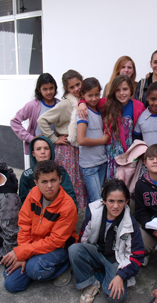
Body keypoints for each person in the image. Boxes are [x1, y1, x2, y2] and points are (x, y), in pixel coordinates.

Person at [2, 160, 79, 293]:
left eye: (53, 180)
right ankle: (35, 264)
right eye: (44, 182)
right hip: (36, 244)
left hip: (60, 247)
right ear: (36, 183)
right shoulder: (33, 194)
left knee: (34, 269)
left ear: (60, 179)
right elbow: (24, 224)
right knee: (11, 283)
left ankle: (64, 265)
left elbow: (55, 241)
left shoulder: (68, 206)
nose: (49, 186)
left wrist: (24, 253)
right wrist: (23, 254)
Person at [68, 179, 144, 303]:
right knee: (74, 249)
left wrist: (121, 275)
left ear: (126, 202)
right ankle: (90, 283)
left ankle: (100, 276)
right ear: (104, 201)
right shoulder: (95, 214)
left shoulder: (129, 222)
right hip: (97, 252)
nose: (115, 206)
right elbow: (83, 238)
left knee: (117, 297)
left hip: (117, 261)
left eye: (120, 201)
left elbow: (137, 254)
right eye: (111, 201)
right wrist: (82, 260)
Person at [38, 70, 87, 209]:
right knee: (69, 183)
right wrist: (54, 138)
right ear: (67, 89)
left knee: (79, 183)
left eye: (78, 84)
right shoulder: (65, 104)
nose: (76, 89)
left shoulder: (82, 101)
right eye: (72, 87)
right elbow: (42, 120)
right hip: (67, 150)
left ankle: (76, 213)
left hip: (79, 148)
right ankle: (66, 212)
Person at [10, 73, 60, 166]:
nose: (49, 92)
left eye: (51, 88)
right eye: (45, 89)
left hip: (57, 151)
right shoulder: (33, 105)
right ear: (39, 90)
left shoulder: (60, 104)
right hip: (39, 153)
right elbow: (14, 122)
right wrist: (30, 138)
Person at [18, 136, 77, 210]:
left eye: (46, 148)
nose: (43, 152)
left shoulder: (61, 171)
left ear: (51, 151)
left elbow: (70, 196)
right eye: (38, 149)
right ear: (33, 153)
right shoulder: (26, 176)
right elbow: (23, 203)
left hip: (60, 213)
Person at [77, 77, 109, 207]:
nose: (94, 98)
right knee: (97, 201)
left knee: (94, 200)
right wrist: (101, 141)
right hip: (89, 165)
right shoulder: (83, 112)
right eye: (90, 95)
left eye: (97, 94)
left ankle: (89, 226)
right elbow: (81, 139)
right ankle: (91, 227)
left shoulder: (99, 110)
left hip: (101, 161)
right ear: (83, 95)